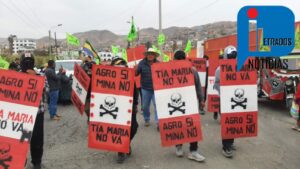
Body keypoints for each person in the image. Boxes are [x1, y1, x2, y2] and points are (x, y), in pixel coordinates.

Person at [172, 50, 206, 162]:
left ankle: (193, 151)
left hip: (190, 103)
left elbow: (197, 86)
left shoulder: (192, 70)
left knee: (193, 126)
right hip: (177, 103)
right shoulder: (170, 71)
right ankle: (179, 146)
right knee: (179, 125)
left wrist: (201, 100)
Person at [20, 53, 48, 169]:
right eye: (25, 61)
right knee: (22, 139)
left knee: (37, 140)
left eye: (29, 62)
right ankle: (20, 160)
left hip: (37, 114)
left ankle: (37, 161)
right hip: (21, 114)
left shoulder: (41, 75)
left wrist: (35, 77)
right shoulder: (16, 76)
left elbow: (47, 89)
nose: (28, 64)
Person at [110, 58, 139, 163]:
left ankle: (126, 143)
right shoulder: (107, 79)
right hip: (114, 108)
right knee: (118, 129)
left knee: (134, 127)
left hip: (128, 107)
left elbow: (135, 92)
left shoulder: (130, 78)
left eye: (123, 67)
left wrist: (135, 104)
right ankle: (121, 151)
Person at [214, 45, 237, 158]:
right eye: (230, 56)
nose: (232, 59)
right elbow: (216, 84)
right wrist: (224, 92)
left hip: (235, 99)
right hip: (225, 100)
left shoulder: (239, 67)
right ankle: (226, 146)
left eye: (234, 56)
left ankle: (231, 142)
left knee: (234, 121)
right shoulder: (219, 69)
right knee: (227, 122)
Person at [136, 48, 159, 129]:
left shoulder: (158, 64)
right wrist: (135, 69)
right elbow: (136, 74)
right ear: (146, 55)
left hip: (156, 89)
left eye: (152, 54)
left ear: (154, 55)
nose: (150, 55)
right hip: (145, 88)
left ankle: (158, 123)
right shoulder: (141, 63)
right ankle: (146, 119)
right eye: (149, 54)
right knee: (145, 106)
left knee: (158, 106)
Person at [81, 55, 96, 122]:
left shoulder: (94, 65)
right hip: (86, 93)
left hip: (94, 93)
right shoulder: (84, 67)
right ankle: (89, 118)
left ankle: (92, 119)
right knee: (87, 109)